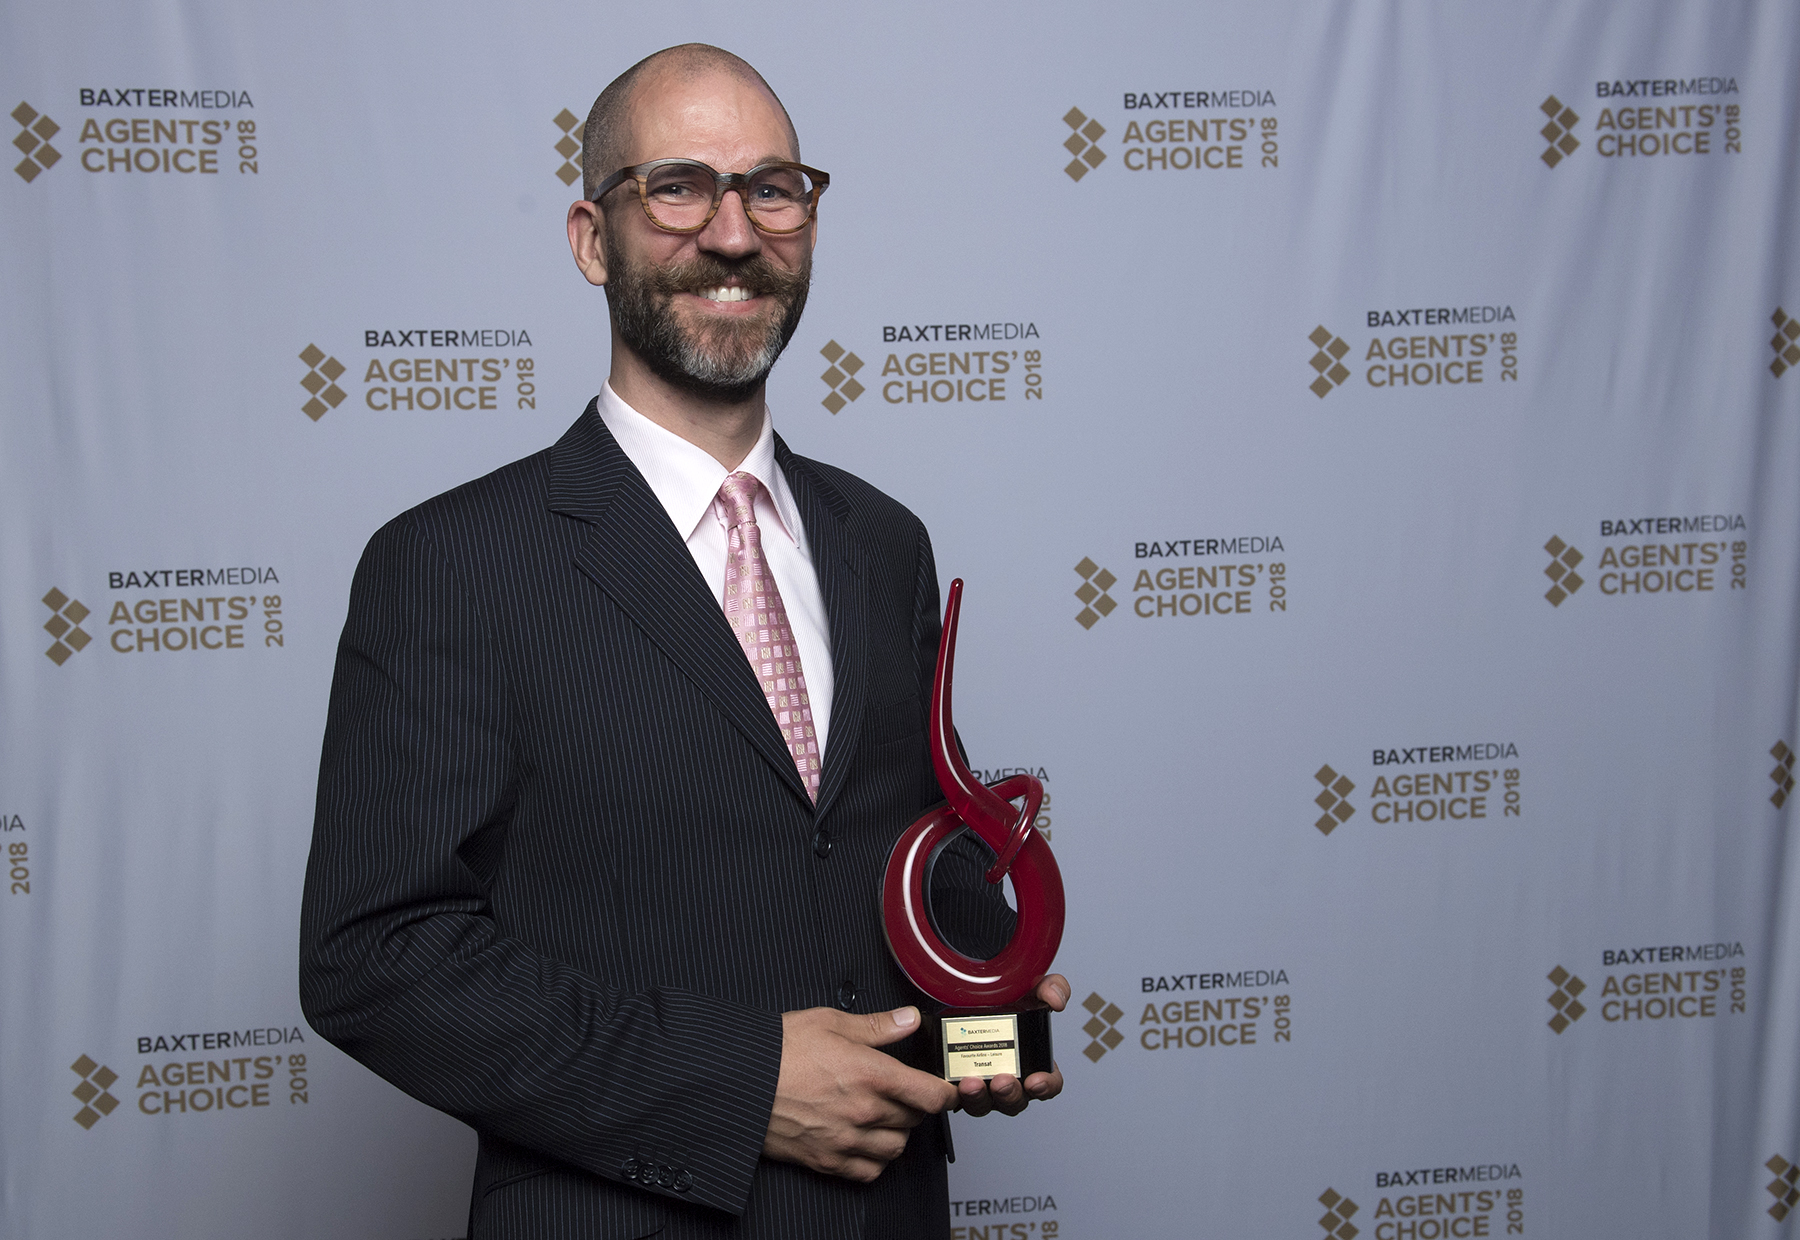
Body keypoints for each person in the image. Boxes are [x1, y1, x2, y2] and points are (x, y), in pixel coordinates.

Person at [299, 43, 1067, 1240]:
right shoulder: (452, 562)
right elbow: (375, 957)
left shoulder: (883, 542)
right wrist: (741, 1085)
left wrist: (985, 997)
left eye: (773, 189)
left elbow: (891, 848)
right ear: (591, 239)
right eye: (677, 187)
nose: (733, 233)